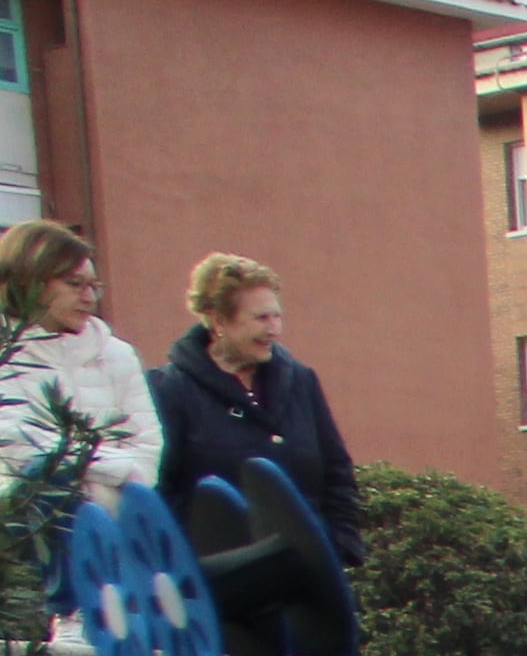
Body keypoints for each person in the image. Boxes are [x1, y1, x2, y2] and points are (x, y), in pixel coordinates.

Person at [147, 251, 364, 569]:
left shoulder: (301, 381)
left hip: (308, 575)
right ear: (219, 322)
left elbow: (338, 473)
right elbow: (162, 488)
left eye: (277, 316)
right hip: (221, 579)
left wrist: (339, 546)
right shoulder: (170, 390)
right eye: (261, 318)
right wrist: (190, 564)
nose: (274, 329)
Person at [0, 222, 165, 567]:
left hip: (121, 536)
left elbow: (147, 450)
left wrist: (102, 486)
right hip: (27, 546)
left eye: (94, 286)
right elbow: (18, 447)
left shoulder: (117, 354)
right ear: (29, 281)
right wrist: (115, 468)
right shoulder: (6, 354)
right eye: (74, 284)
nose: (88, 296)